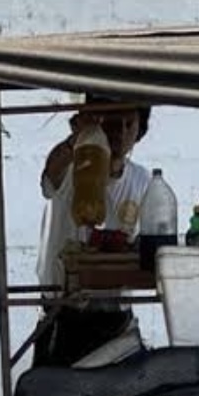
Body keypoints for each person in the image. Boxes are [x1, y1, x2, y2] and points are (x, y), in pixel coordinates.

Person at [33, 97, 152, 366]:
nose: (120, 132)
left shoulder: (142, 181)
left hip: (114, 313)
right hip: (63, 308)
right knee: (53, 388)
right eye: (112, 122)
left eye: (129, 124)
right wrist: (75, 140)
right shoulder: (72, 166)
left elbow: (143, 243)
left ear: (139, 131)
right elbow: (49, 178)